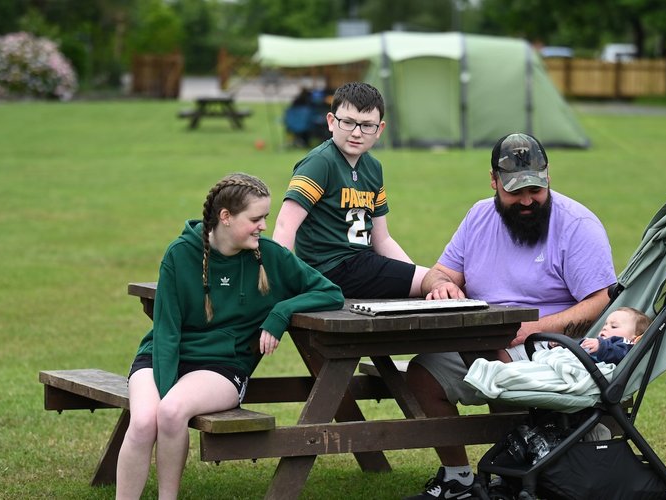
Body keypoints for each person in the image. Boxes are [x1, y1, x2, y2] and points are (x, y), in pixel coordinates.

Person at [404, 133, 617, 500]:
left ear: (548, 175)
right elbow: (439, 272)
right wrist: (440, 286)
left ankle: (516, 469)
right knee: (422, 373)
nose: (526, 200)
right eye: (514, 191)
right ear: (493, 181)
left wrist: (534, 329)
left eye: (534, 189)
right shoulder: (478, 216)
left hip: (546, 349)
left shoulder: (577, 224)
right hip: (481, 341)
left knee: (491, 359)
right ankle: (458, 477)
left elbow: (601, 299)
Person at [115, 173, 344, 500]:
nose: (264, 225)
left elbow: (330, 292)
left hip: (222, 365)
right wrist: (167, 389)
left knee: (170, 412)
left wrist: (279, 314)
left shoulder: (271, 256)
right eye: (256, 218)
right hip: (162, 355)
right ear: (225, 217)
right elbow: (165, 331)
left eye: (265, 217)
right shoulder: (180, 254)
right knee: (142, 422)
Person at [273, 81, 429, 298]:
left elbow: (382, 239)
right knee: (437, 281)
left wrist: (415, 273)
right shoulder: (320, 163)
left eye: (367, 125)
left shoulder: (373, 168)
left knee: (435, 281)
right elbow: (285, 225)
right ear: (331, 121)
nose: (356, 133)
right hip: (329, 270)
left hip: (362, 264)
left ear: (379, 130)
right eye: (348, 122)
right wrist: (276, 277)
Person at [581, 306, 651, 364]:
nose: (605, 328)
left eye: (614, 326)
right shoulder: (599, 343)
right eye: (605, 324)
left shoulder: (626, 346)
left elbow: (619, 354)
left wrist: (601, 347)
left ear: (634, 339)